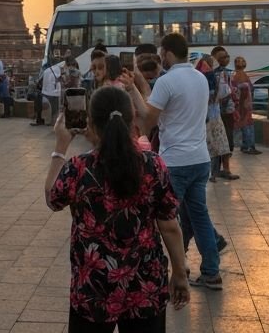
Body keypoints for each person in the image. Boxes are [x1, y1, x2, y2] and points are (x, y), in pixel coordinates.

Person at [46, 85, 190, 332]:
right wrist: (179, 273)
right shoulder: (153, 165)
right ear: (132, 118)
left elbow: (53, 199)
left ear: (90, 123)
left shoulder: (79, 168)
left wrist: (60, 146)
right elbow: (169, 227)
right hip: (144, 283)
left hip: (93, 285)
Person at [145, 32, 223, 290]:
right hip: (200, 159)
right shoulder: (200, 78)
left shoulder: (166, 82)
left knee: (167, 220)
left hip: (175, 161)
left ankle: (175, 270)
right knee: (200, 216)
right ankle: (211, 272)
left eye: (161, 53)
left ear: (167, 53)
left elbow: (150, 120)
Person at [209, 47, 239, 179]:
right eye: (221, 57)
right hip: (214, 112)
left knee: (228, 141)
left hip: (227, 110)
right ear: (214, 58)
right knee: (216, 142)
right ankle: (216, 171)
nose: (225, 59)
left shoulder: (228, 73)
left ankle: (224, 170)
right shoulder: (209, 73)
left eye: (226, 56)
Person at [231, 56, 260, 154]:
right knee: (246, 124)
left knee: (246, 124)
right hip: (243, 104)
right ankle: (248, 146)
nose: (241, 62)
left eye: (242, 60)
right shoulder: (238, 75)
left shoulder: (240, 74)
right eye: (238, 61)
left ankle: (247, 145)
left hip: (245, 104)